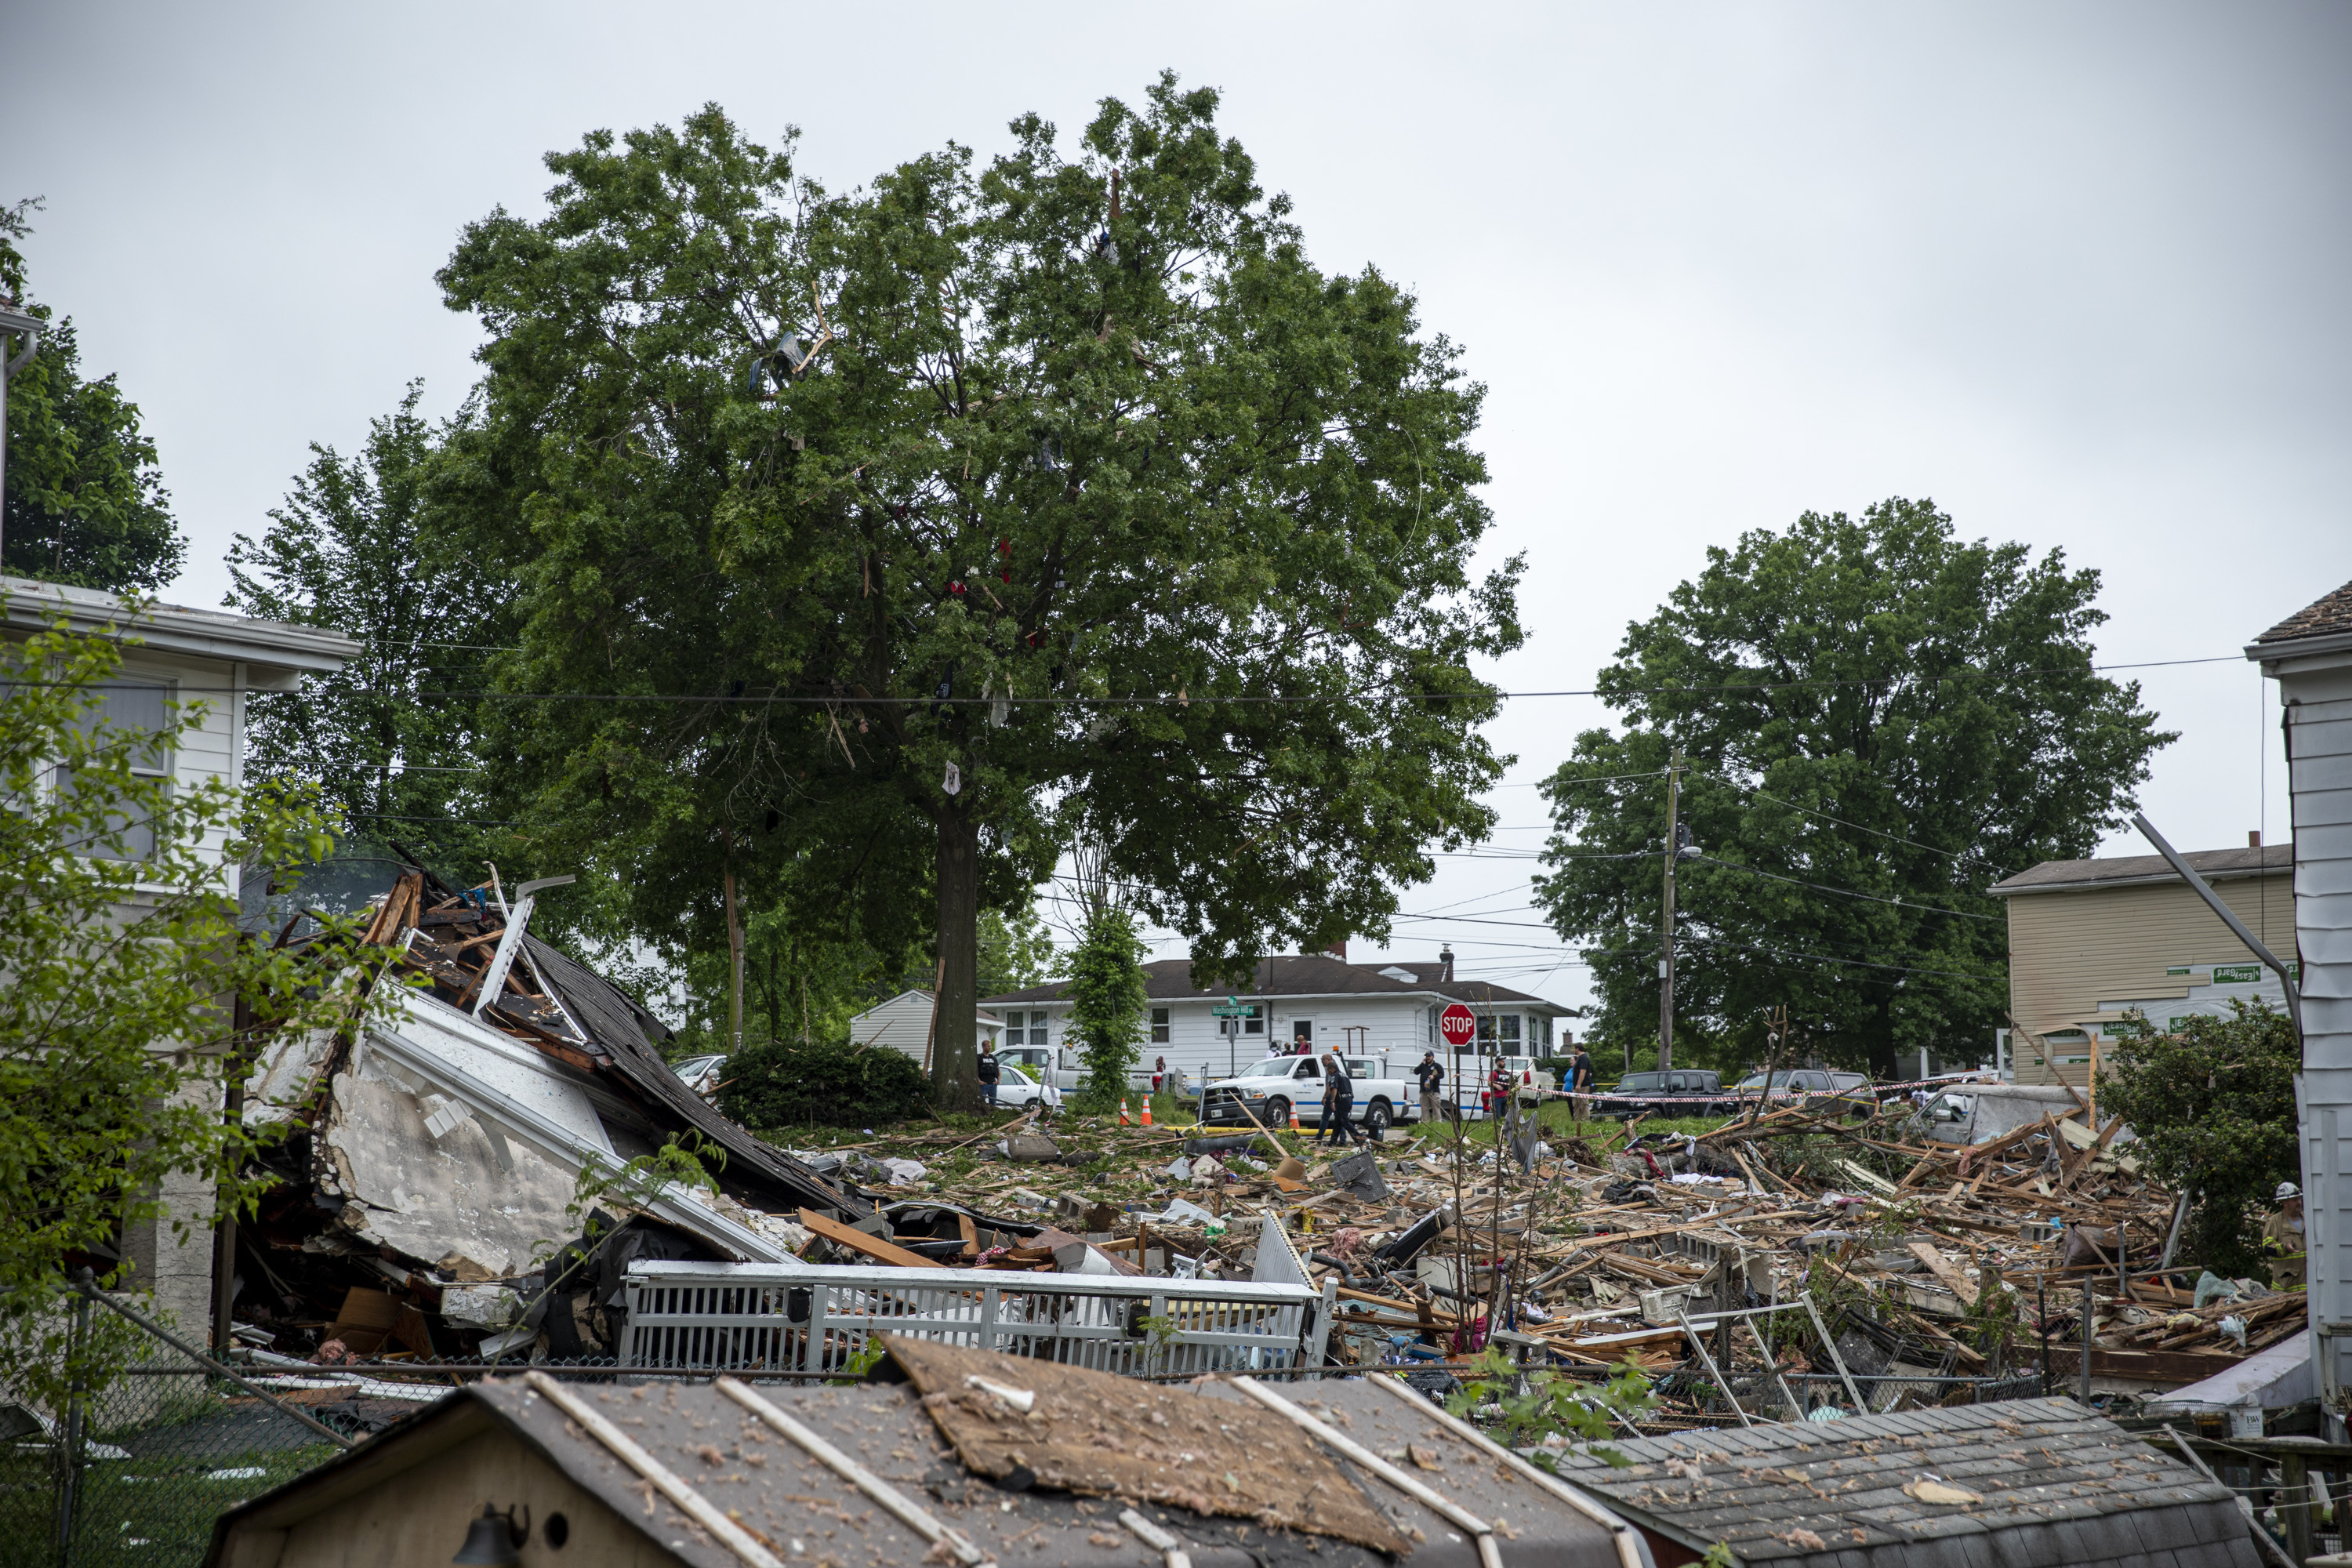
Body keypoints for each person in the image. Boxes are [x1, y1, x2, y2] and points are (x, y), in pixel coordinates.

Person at [2264, 1181, 2307, 1290]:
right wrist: (2285, 1248)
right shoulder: (2274, 1222)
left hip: (2307, 1284)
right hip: (2286, 1287)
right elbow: (2267, 1248)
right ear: (2285, 1203)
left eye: (2299, 1198)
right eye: (2295, 1200)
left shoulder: (2308, 1218)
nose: (2299, 1202)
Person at [1322, 1051, 1362, 1146]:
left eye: (1328, 1070)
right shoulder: (1343, 1075)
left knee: (1344, 1121)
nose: (1328, 1072)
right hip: (1348, 1099)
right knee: (1338, 1122)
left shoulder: (1334, 1076)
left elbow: (1334, 1089)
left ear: (1332, 1069)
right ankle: (1332, 1141)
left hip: (1342, 1101)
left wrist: (1332, 1101)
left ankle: (1358, 1138)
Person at [1415, 1051, 1447, 1123]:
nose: (1428, 1058)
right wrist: (1422, 1064)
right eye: (1427, 1056)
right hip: (1424, 1091)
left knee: (1436, 1108)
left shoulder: (1437, 1066)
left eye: (1429, 1056)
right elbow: (1416, 1071)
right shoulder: (1423, 1066)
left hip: (1434, 1091)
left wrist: (1434, 1077)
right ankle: (1425, 1123)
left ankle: (1437, 1123)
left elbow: (1442, 1075)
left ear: (1433, 1057)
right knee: (1424, 1108)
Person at [976, 1044, 1001, 1109]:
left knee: (993, 1103)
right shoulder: (979, 1058)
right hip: (983, 1084)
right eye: (988, 1046)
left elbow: (998, 1069)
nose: (990, 1048)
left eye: (990, 1046)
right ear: (983, 1047)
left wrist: (998, 1080)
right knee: (981, 1103)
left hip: (993, 1084)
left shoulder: (993, 1058)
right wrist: (979, 1081)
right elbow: (974, 1071)